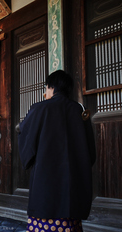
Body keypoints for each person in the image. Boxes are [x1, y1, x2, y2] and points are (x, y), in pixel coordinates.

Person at [17, 70, 96, 232]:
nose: (45, 93)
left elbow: (25, 135)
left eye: (46, 88)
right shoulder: (79, 110)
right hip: (73, 183)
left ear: (51, 87)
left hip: (45, 182)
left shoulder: (40, 109)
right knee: (69, 222)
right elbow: (90, 154)